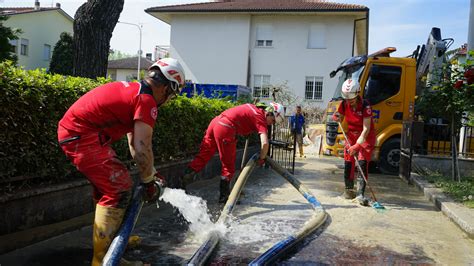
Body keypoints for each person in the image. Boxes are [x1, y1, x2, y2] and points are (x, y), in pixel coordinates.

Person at [57, 58, 185, 265]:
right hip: (81, 136)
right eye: (172, 93)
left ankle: (114, 241)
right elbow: (143, 148)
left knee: (108, 189)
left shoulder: (135, 92)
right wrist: (149, 181)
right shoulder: (146, 100)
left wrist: (149, 175)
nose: (169, 98)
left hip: (77, 133)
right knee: (119, 189)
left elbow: (135, 144)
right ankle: (102, 259)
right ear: (168, 87)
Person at [181, 102, 285, 203]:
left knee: (204, 155)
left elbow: (242, 117)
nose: (272, 123)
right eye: (273, 120)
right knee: (228, 166)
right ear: (271, 113)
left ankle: (182, 182)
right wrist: (262, 158)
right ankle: (224, 198)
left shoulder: (254, 108)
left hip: (216, 122)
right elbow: (265, 144)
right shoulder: (260, 117)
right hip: (226, 127)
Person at [332, 79, 375, 206]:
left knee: (361, 162)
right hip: (351, 135)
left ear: (357, 94)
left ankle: (360, 194)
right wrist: (337, 117)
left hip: (365, 136)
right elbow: (338, 115)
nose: (349, 101)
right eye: (347, 98)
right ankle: (349, 191)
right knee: (348, 161)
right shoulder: (345, 104)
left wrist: (357, 145)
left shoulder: (365, 106)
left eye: (351, 99)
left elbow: (366, 129)